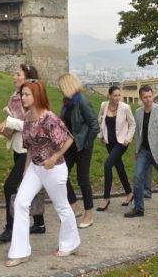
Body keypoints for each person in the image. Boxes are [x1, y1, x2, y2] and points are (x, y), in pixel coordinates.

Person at [6, 80, 80, 267]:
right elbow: (30, 149)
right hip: (35, 168)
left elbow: (69, 140)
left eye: (26, 95)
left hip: (54, 169)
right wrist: (25, 173)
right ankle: (20, 252)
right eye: (22, 94)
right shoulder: (28, 117)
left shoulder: (49, 119)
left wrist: (54, 157)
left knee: (62, 206)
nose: (22, 98)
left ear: (37, 96)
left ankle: (69, 244)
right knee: (21, 202)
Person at [0, 64, 47, 243]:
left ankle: (11, 228)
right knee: (27, 186)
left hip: (29, 151)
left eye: (18, 74)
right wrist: (5, 129)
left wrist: (9, 121)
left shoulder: (34, 99)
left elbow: (32, 125)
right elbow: (17, 125)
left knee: (10, 186)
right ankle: (39, 223)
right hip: (19, 147)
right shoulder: (14, 98)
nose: (14, 77)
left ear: (27, 78)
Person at [58, 73, 99, 228]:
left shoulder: (82, 101)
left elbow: (95, 125)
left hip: (82, 146)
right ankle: (74, 206)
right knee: (62, 176)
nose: (60, 89)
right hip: (69, 146)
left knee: (83, 179)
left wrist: (85, 143)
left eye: (62, 87)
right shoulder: (67, 102)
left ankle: (89, 214)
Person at [124, 85, 158, 218]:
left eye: (150, 96)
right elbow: (139, 134)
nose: (148, 99)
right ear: (141, 98)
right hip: (144, 151)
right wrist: (136, 151)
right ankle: (138, 208)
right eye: (145, 97)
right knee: (138, 178)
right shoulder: (138, 112)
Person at [97, 86, 136, 211]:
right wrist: (101, 135)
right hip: (109, 142)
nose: (118, 98)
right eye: (115, 95)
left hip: (121, 142)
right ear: (109, 95)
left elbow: (132, 124)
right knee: (119, 166)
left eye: (119, 95)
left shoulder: (125, 107)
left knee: (108, 165)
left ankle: (106, 198)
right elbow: (100, 120)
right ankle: (129, 193)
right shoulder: (104, 105)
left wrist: (127, 139)